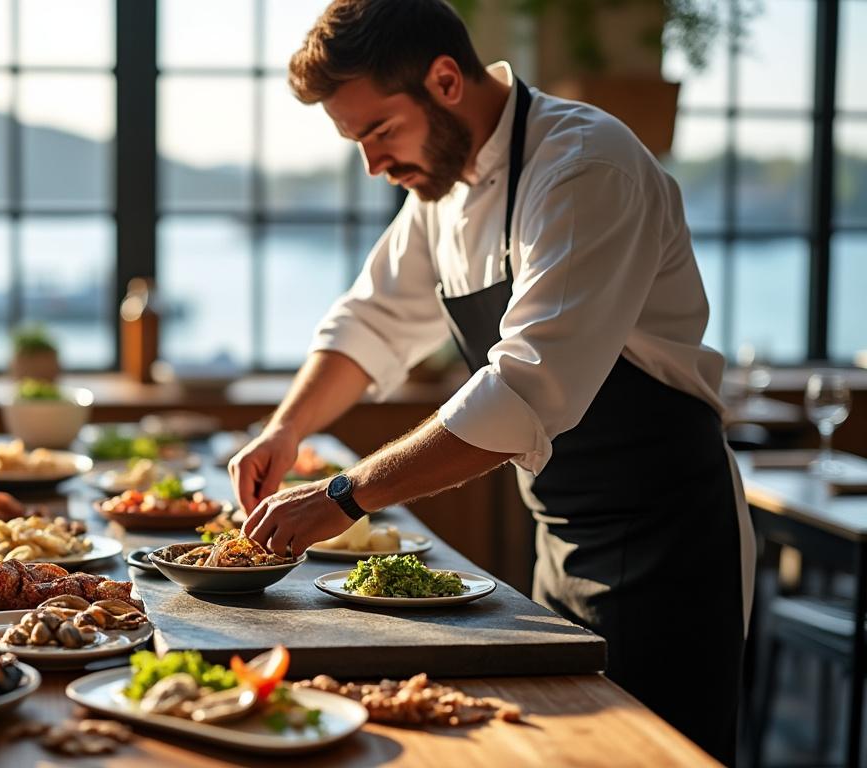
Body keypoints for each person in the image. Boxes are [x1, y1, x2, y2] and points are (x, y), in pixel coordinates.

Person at [228, 0, 754, 761]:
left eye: (380, 131)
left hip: (670, 545)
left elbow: (524, 389)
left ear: (445, 80)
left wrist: (343, 495)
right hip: (562, 535)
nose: (374, 165)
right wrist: (286, 429)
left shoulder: (584, 165)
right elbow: (372, 322)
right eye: (357, 142)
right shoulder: (441, 189)